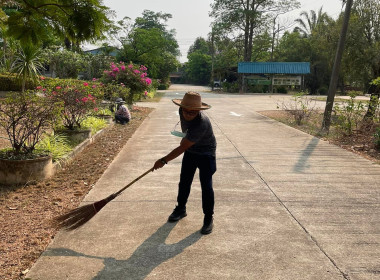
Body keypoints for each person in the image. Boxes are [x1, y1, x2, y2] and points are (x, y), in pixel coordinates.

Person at [153, 92, 217, 235]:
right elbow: (186, 144)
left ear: (199, 111)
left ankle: (208, 218)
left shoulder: (202, 124)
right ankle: (181, 209)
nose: (188, 114)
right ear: (181, 108)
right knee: (184, 182)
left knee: (206, 186)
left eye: (193, 112)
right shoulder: (182, 111)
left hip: (206, 152)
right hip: (191, 150)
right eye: (185, 110)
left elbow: (182, 147)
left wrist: (163, 160)